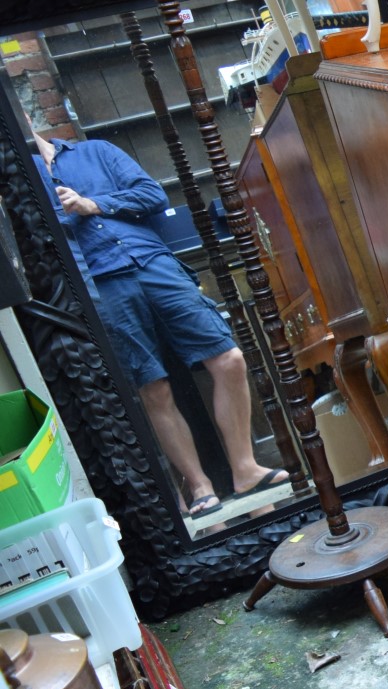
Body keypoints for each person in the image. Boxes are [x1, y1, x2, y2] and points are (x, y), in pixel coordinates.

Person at [32, 130, 289, 519]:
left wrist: (92, 204)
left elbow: (152, 196)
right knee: (153, 388)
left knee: (229, 358)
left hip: (154, 262)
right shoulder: (19, 179)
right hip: (98, 283)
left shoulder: (95, 152)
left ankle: (245, 469)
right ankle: (200, 485)